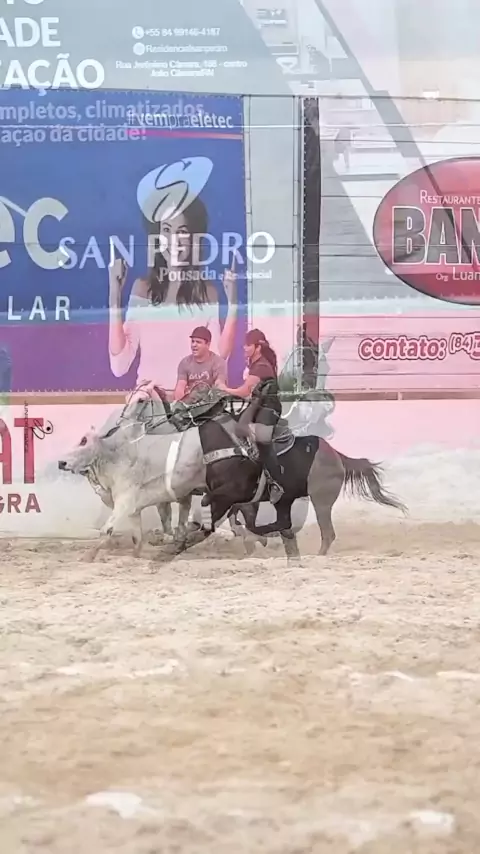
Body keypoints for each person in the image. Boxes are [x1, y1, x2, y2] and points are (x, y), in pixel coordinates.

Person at [108, 196, 238, 400]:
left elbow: (219, 358)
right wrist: (114, 295)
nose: (174, 240)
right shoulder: (142, 289)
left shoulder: (207, 292)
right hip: (149, 402)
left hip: (190, 403)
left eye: (182, 232)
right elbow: (119, 366)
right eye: (166, 230)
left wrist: (233, 305)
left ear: (194, 238)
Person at [219, 328, 284, 504]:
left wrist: (224, 389)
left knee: (262, 440)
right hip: (256, 406)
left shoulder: (261, 366)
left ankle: (276, 483)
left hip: (268, 409)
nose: (244, 348)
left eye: (248, 345)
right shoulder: (255, 364)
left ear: (258, 347)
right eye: (244, 345)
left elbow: (245, 391)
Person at [174, 326, 227, 402]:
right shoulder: (185, 362)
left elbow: (220, 384)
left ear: (208, 344)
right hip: (191, 404)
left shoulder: (218, 362)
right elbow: (180, 387)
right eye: (192, 341)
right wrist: (179, 404)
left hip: (211, 403)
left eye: (198, 342)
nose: (194, 345)